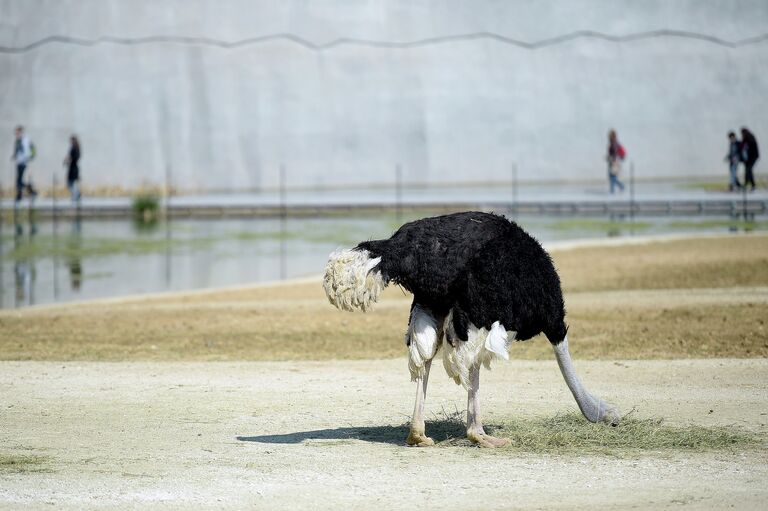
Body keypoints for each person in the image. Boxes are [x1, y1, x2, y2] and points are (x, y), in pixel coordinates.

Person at [10, 125, 37, 202]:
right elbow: (17, 151)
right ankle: (27, 192)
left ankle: (23, 194)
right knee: (19, 180)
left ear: (21, 132)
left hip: (23, 162)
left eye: (17, 133)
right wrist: (14, 156)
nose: (16, 134)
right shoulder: (18, 140)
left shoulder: (25, 140)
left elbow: (30, 149)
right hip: (19, 162)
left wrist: (29, 157)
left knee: (19, 180)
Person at [606, 129, 625, 194]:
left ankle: (615, 189)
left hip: (614, 161)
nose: (608, 137)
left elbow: (615, 154)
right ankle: (618, 187)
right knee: (612, 176)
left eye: (609, 136)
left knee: (612, 177)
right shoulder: (614, 143)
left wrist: (611, 158)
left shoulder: (614, 144)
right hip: (613, 161)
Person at [64, 135, 81, 201]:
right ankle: (76, 194)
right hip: (72, 168)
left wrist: (68, 160)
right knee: (71, 183)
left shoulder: (75, 148)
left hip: (73, 169)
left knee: (71, 183)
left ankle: (76, 195)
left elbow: (75, 158)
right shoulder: (74, 148)